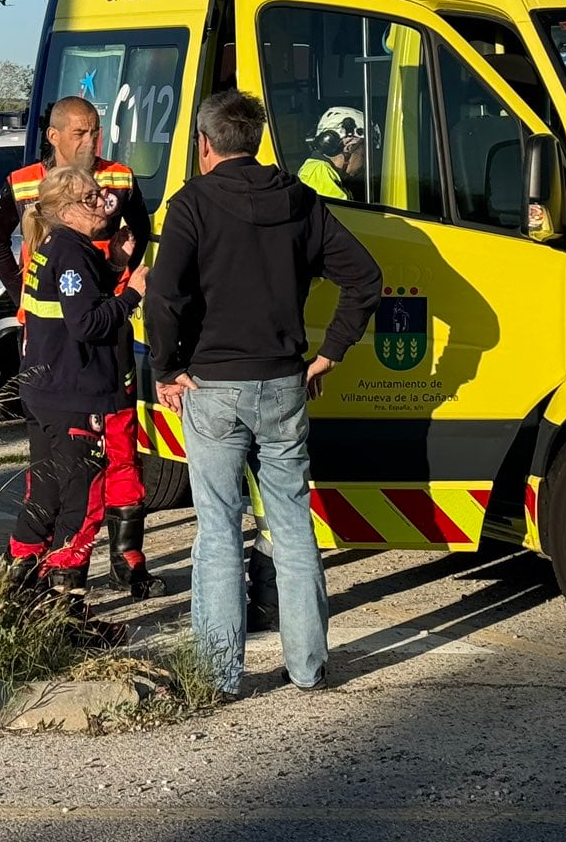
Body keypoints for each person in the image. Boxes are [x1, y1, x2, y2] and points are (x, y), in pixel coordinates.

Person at [144, 89, 382, 695]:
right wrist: (328, 355)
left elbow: (165, 297)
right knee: (293, 525)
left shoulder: (190, 205)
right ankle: (308, 666)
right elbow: (364, 278)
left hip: (213, 386)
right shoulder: (301, 201)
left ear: (204, 145)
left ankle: (221, 676)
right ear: (256, 142)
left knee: (219, 527)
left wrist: (167, 369)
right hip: (283, 383)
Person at [0, 95, 167, 599]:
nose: (91, 143)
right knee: (71, 478)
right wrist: (23, 293)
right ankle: (57, 586)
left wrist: (116, 274)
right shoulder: (25, 186)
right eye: (81, 133)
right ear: (55, 135)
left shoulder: (119, 179)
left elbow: (141, 233)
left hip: (98, 333)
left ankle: (127, 560)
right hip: (66, 345)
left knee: (120, 452)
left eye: (96, 132)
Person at [7, 164, 149, 629]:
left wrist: (112, 267)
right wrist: (132, 295)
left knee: (44, 495)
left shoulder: (57, 247)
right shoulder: (71, 252)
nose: (103, 204)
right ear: (67, 209)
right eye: (92, 198)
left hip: (45, 390)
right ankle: (65, 611)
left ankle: (19, 591)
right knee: (81, 500)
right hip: (72, 394)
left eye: (103, 195)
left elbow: (75, 302)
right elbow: (87, 323)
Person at [297, 106, 366, 202]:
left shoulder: (323, 171)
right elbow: (343, 214)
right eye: (363, 155)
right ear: (349, 147)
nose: (364, 164)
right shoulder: (318, 174)